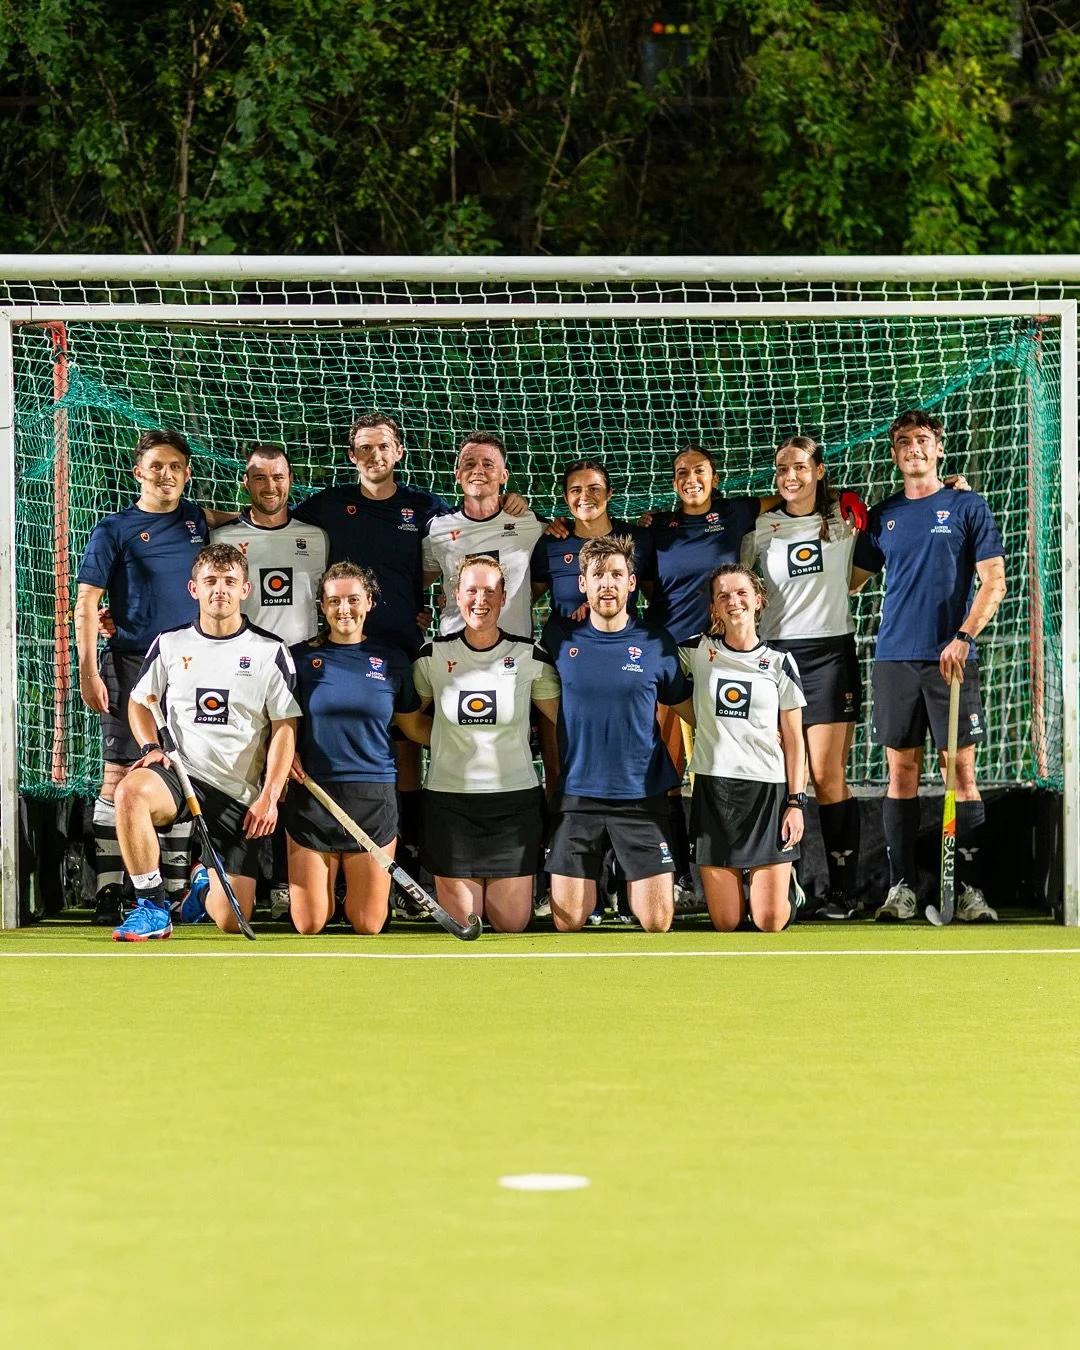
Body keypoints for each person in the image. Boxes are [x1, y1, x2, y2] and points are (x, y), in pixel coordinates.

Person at [853, 409, 1007, 922]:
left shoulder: (967, 504)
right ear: (894, 454)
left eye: (922, 440)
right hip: (896, 657)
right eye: (902, 442)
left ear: (939, 448)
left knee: (960, 771)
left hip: (952, 659)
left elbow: (993, 582)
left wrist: (964, 635)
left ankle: (968, 889)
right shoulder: (882, 514)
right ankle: (902, 890)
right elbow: (850, 580)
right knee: (902, 772)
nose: (912, 448)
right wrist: (835, 522)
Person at [110, 543, 300, 940]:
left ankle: (200, 885)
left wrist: (269, 794)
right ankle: (152, 905)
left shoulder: (270, 651)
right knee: (130, 792)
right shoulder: (170, 644)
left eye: (230, 582)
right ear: (193, 588)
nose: (220, 590)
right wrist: (150, 747)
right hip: (181, 775)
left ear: (245, 589)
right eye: (210, 581)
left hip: (238, 794)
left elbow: (285, 728)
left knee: (232, 920)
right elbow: (139, 702)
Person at [74, 429, 213, 924]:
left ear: (187, 473)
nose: (166, 473)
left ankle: (170, 892)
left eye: (176, 465)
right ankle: (112, 890)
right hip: (131, 664)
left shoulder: (197, 520)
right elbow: (87, 600)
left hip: (189, 670)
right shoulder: (115, 529)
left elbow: (234, 520)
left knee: (176, 771)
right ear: (139, 472)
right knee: (118, 777)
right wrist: (89, 669)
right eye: (157, 465)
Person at [541, 535, 692, 933]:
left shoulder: (657, 642)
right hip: (578, 793)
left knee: (657, 922)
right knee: (569, 921)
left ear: (631, 583)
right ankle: (597, 886)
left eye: (616, 574)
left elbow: (689, 708)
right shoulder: (557, 639)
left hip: (641, 796)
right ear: (583, 585)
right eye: (597, 575)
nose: (607, 583)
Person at [742, 436, 864, 919]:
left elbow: (862, 571)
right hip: (774, 659)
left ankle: (843, 891)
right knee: (776, 774)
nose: (789, 476)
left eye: (798, 467)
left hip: (831, 656)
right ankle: (781, 886)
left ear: (818, 470)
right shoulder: (760, 528)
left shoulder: (847, 518)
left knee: (827, 775)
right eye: (781, 468)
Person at [212, 444, 330, 920]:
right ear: (246, 483)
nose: (269, 486)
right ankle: (237, 875)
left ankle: (288, 880)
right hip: (242, 669)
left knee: (294, 775)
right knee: (248, 772)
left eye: (277, 477)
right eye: (259, 478)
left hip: (301, 671)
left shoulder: (316, 537)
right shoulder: (222, 536)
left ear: (289, 480)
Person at [412, 556, 560, 932]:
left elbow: (563, 722)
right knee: (465, 922)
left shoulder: (530, 656)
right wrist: (445, 739)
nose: (481, 599)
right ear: (456, 595)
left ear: (504, 597)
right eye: (472, 590)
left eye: (490, 591)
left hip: (514, 805)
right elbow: (409, 720)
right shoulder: (432, 656)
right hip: (450, 806)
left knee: (511, 923)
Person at [284, 563, 430, 935]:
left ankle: (360, 895)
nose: (343, 609)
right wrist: (284, 754)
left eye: (352, 599)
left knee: (367, 924)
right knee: (310, 923)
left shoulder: (392, 659)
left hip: (372, 794)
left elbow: (413, 726)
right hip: (313, 793)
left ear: (369, 603)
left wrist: (471, 743)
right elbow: (280, 723)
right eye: (334, 601)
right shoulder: (299, 659)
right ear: (322, 605)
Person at [678, 565, 807, 932]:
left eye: (741, 594)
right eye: (723, 596)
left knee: (769, 922)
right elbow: (653, 670)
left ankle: (786, 891)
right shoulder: (696, 652)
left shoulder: (781, 663)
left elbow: (795, 741)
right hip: (714, 793)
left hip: (767, 794)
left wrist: (796, 803)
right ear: (715, 609)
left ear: (758, 600)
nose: (733, 602)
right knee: (726, 922)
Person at [422, 431, 544, 639]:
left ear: (504, 475)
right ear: (458, 474)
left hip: (515, 656)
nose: (478, 470)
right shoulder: (437, 529)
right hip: (453, 654)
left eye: (488, 464)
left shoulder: (530, 524)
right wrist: (413, 613)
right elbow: (411, 582)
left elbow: (569, 547)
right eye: (469, 464)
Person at [530, 458, 656, 621]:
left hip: (620, 644)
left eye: (594, 489)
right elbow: (525, 600)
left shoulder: (638, 540)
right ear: (566, 497)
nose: (584, 496)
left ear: (609, 493)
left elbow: (658, 599)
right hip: (562, 644)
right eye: (575, 490)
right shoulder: (551, 543)